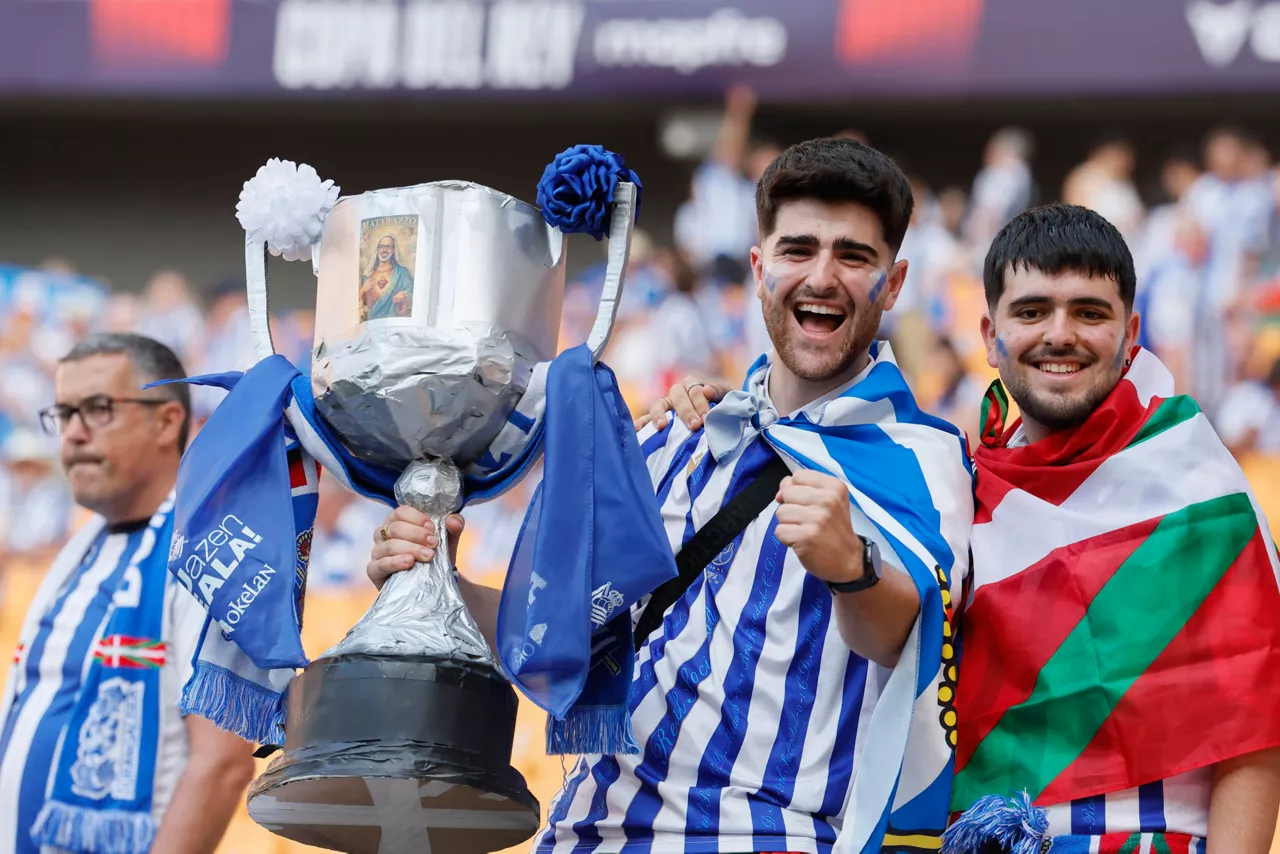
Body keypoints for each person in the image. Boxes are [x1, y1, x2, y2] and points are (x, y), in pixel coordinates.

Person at [369, 138, 975, 853]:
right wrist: (438, 579)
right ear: (758, 268)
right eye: (798, 250)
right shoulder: (674, 436)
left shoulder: (922, 459)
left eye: (853, 256)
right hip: (586, 831)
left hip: (764, 835)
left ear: (895, 282)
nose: (822, 277)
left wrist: (852, 567)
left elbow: (911, 644)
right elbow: (563, 640)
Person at [657, 205, 1280, 852]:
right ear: (989, 334)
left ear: (1132, 334)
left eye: (1090, 313)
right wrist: (723, 409)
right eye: (1032, 311)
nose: (1059, 335)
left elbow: (1254, 735)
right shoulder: (961, 486)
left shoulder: (1200, 491)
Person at [0, 333, 255, 854]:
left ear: (166, 421)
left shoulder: (211, 556)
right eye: (64, 414)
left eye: (96, 410)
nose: (72, 434)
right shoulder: (83, 544)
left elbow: (223, 764)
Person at [360, 235, 414, 320]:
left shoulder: (402, 273)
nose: (384, 250)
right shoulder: (367, 276)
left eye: (388, 247)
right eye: (382, 246)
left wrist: (404, 296)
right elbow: (360, 308)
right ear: (377, 249)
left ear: (393, 250)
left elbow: (413, 294)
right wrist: (363, 290)